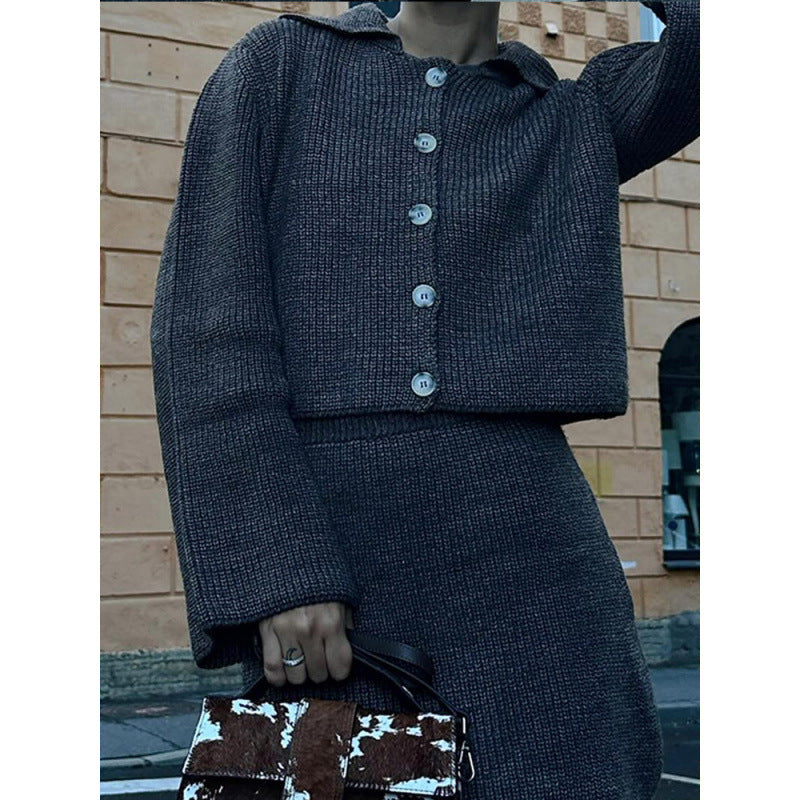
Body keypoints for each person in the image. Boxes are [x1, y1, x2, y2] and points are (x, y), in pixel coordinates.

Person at [150, 1, 700, 797]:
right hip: (341, 571)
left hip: (541, 570)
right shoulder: (278, 67)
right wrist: (279, 570)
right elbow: (207, 330)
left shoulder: (572, 113)